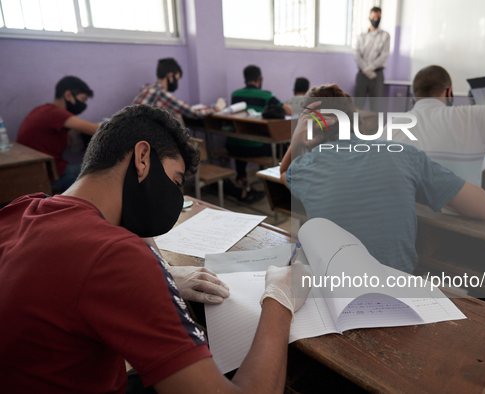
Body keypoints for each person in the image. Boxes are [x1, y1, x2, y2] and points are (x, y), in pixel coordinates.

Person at [0, 104, 311, 393]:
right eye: (176, 182)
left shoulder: (20, 210)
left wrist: (165, 277)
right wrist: (279, 299)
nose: (175, 197)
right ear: (142, 158)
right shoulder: (114, 256)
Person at [279, 84, 485, 273]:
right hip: (396, 287)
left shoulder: (304, 169)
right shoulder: (404, 153)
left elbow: (283, 173)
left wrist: (297, 139)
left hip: (335, 291)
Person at [17, 76, 100, 194]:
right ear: (68, 95)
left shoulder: (41, 109)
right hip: (51, 176)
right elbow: (97, 130)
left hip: (36, 174)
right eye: (83, 99)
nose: (84, 104)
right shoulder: (56, 113)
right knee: (104, 172)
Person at [226, 65, 291, 200]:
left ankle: (241, 177)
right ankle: (284, 182)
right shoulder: (266, 95)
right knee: (283, 146)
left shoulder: (235, 94)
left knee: (243, 137)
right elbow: (289, 111)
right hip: (254, 148)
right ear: (260, 79)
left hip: (232, 147)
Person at [132, 58, 226, 121]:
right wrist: (217, 107)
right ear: (170, 76)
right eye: (177, 78)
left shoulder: (145, 88)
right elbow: (193, 112)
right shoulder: (161, 93)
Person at [354, 6, 390, 112]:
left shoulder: (385, 35)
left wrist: (371, 68)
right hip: (362, 73)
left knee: (375, 106)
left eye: (378, 17)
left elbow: (384, 55)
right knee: (358, 105)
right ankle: (356, 128)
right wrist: (365, 69)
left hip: (377, 74)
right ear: (369, 17)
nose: (376, 19)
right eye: (374, 17)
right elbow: (357, 54)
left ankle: (375, 129)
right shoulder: (361, 36)